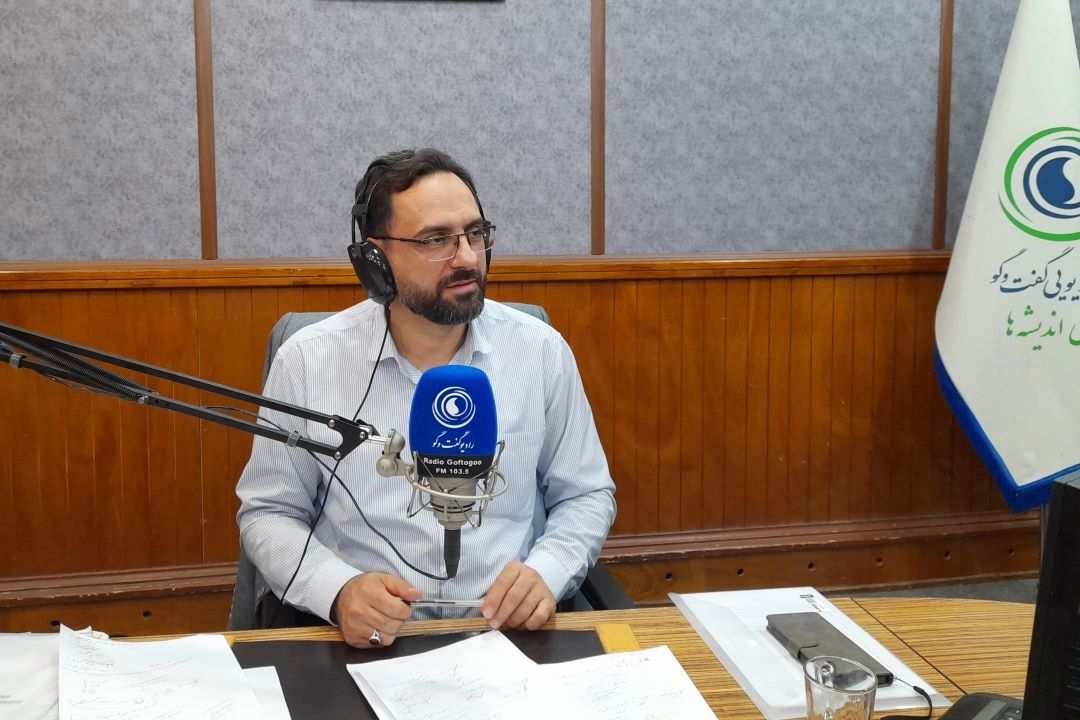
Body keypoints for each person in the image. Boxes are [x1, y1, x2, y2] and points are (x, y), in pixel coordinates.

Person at [236, 148, 616, 648]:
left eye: (475, 234)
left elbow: (585, 494)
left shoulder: (540, 351)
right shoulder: (308, 361)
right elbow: (269, 512)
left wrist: (547, 571)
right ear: (375, 260)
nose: (468, 258)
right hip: (364, 642)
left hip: (509, 637)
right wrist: (339, 591)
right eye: (436, 240)